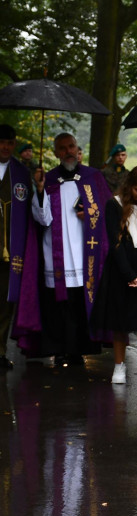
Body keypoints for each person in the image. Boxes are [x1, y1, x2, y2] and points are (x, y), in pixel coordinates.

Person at [13, 132, 112, 365]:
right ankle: (59, 349)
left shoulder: (93, 177)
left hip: (84, 254)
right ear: (56, 153)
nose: (68, 151)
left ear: (78, 149)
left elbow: (108, 214)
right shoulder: (47, 180)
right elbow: (42, 219)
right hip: (56, 255)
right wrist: (38, 190)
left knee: (80, 303)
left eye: (72, 146)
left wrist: (90, 214)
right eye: (63, 148)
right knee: (59, 306)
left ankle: (79, 350)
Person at [90, 166, 137, 386]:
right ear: (130, 186)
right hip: (120, 268)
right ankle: (119, 367)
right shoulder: (114, 205)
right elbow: (115, 244)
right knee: (120, 321)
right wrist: (129, 274)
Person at [0, 124, 33, 370]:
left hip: (11, 249)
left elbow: (33, 213)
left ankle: (0, 352)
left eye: (10, 143)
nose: (6, 147)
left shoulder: (21, 174)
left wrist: (40, 188)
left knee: (5, 301)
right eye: (2, 142)